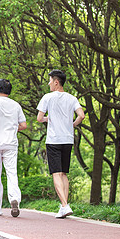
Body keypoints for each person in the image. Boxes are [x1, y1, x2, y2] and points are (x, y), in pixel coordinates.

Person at [37, 70, 85, 218]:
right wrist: (72, 125)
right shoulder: (72, 98)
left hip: (54, 140)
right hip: (68, 139)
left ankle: (64, 205)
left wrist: (48, 119)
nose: (48, 83)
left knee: (56, 173)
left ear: (56, 82)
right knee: (64, 173)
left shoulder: (47, 97)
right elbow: (81, 115)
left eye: (50, 81)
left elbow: (39, 118)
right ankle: (63, 206)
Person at [0, 79, 27, 217]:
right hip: (10, 144)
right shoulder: (16, 105)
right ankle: (14, 198)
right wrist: (13, 129)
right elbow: (24, 125)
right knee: (11, 172)